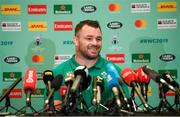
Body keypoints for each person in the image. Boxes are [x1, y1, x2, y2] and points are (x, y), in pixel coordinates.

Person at [51, 19, 130, 115]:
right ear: (76, 41)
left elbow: (125, 110)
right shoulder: (59, 72)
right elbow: (53, 110)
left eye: (98, 39)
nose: (95, 43)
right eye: (89, 38)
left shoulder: (115, 71)